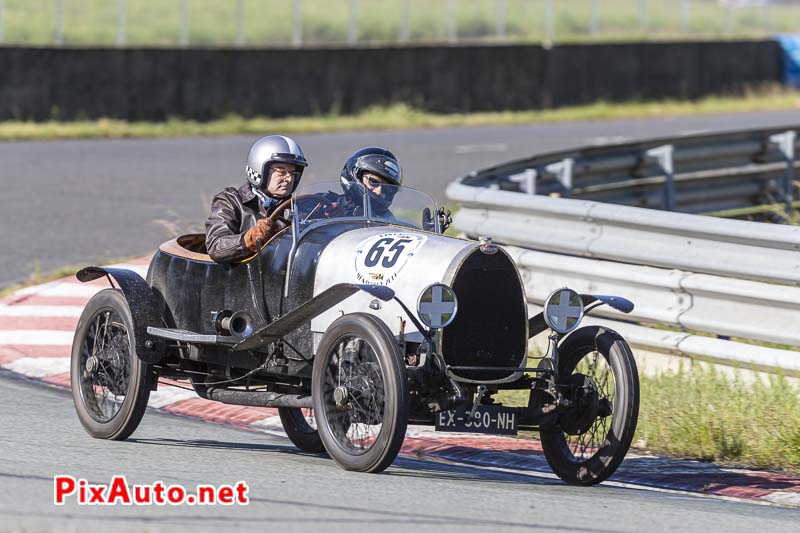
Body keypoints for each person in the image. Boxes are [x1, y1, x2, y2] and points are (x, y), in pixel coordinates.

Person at [205, 135, 307, 263]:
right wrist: (249, 239)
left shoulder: (300, 205)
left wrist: (333, 209)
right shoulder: (230, 201)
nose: (289, 178)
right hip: (243, 277)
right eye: (281, 172)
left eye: (293, 173)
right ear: (259, 169)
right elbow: (215, 247)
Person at [331, 146, 453, 232]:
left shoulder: (386, 220)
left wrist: (429, 236)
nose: (379, 191)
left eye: (388, 188)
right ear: (355, 176)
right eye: (373, 182)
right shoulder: (324, 202)